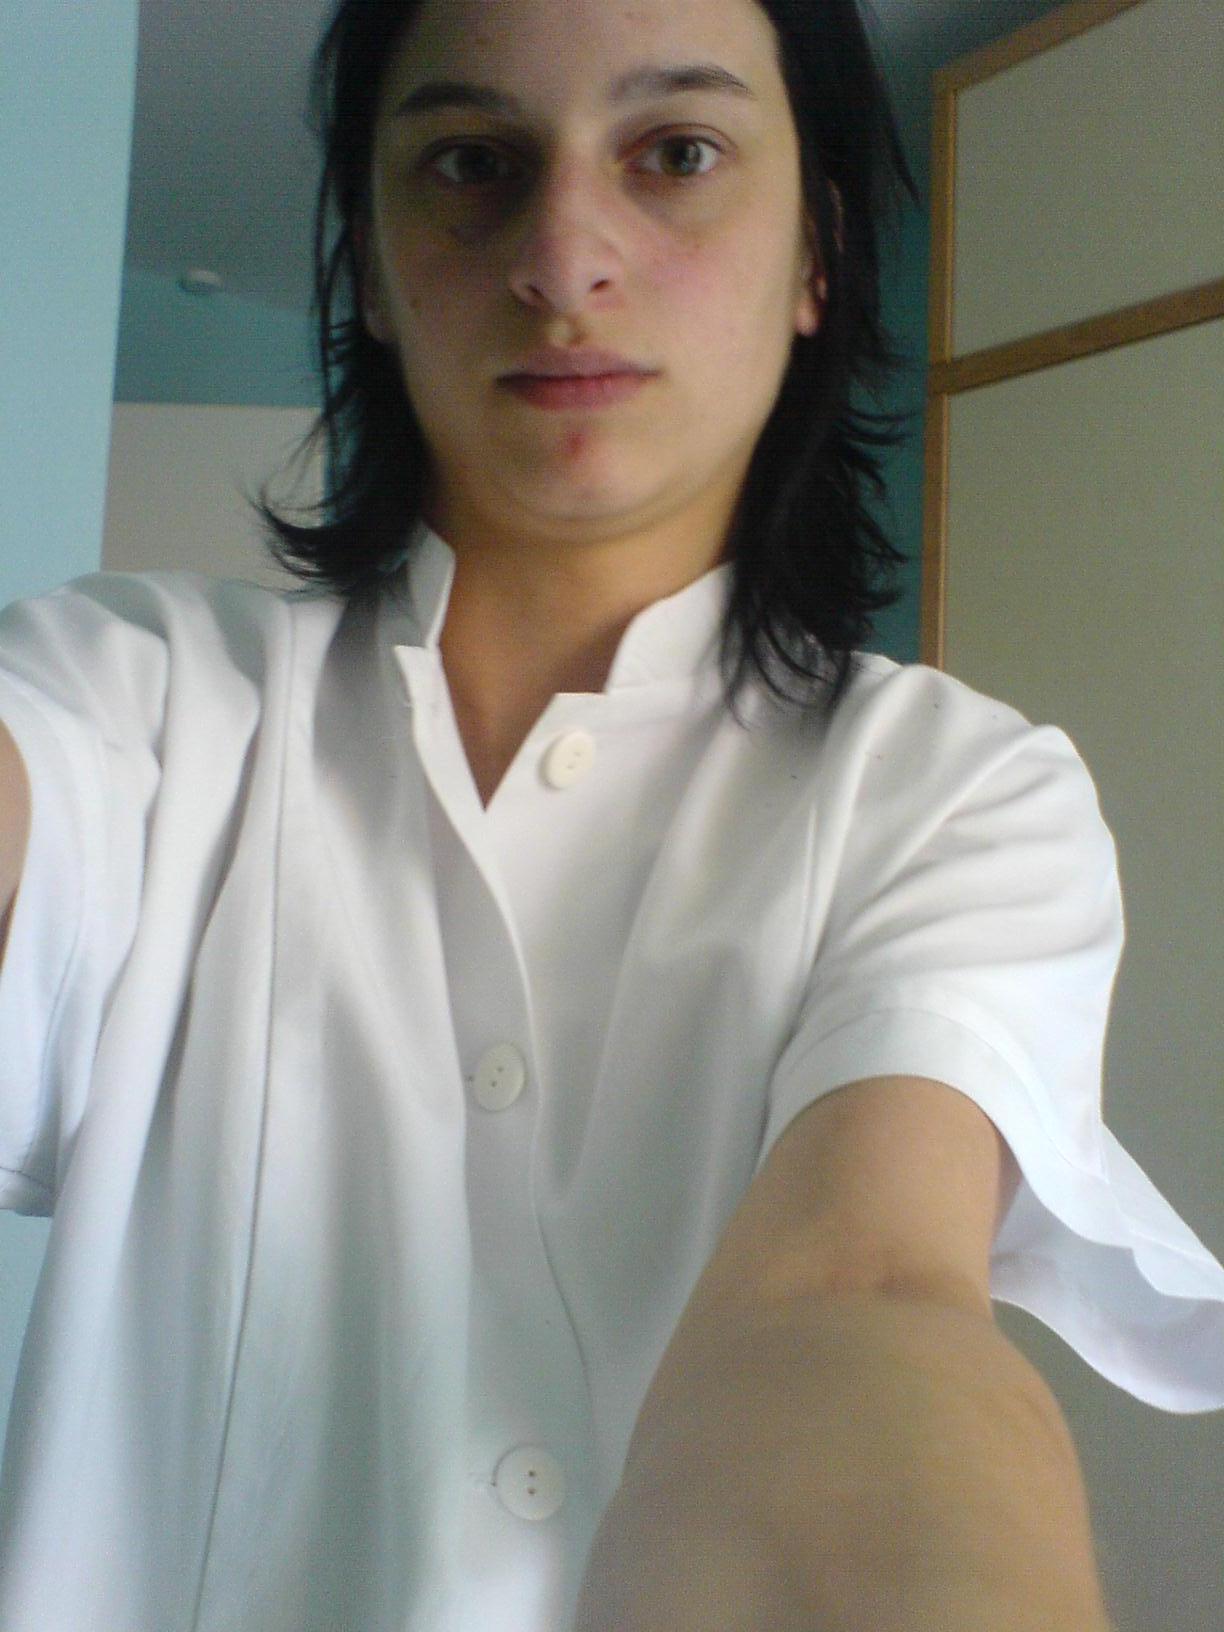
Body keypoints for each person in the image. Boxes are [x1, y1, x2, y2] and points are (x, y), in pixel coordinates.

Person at [0, 1, 1221, 1628]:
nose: (563, 256)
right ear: (372, 271)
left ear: (816, 256)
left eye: (679, 153)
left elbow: (865, 1286)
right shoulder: (129, 699)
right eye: (472, 163)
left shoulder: (948, 788)